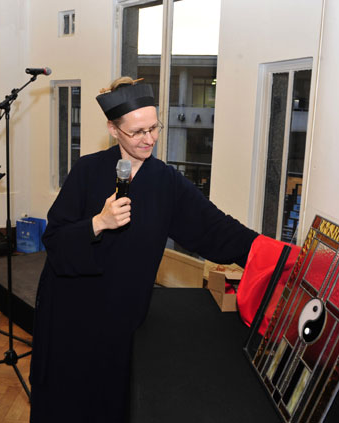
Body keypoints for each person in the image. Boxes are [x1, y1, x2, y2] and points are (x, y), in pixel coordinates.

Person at [29, 76, 260, 422]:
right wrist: (99, 222)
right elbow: (56, 242)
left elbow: (216, 229)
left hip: (120, 322)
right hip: (69, 317)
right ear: (112, 129)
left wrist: (273, 254)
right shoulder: (87, 171)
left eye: (154, 128)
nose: (149, 139)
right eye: (137, 132)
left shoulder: (166, 183)